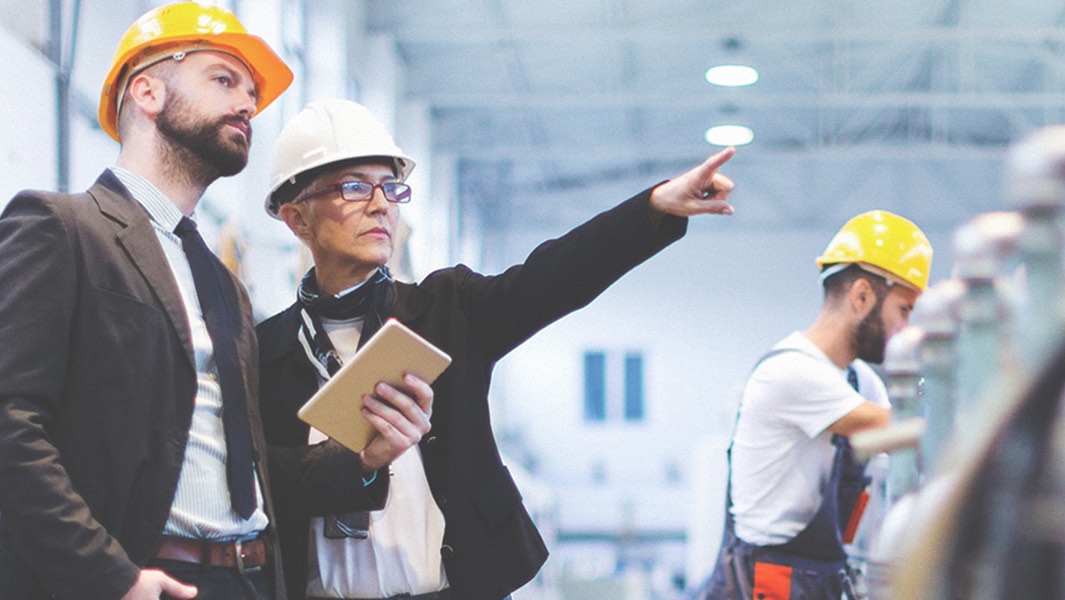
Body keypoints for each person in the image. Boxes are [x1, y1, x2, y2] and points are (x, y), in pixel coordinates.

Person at [0, 4, 432, 600]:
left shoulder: (222, 284)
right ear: (147, 91)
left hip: (247, 579)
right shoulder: (62, 230)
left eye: (251, 93)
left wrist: (361, 457)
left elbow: (245, 469)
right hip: (143, 578)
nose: (247, 105)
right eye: (224, 80)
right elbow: (10, 424)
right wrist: (110, 579)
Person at [255, 98, 737, 600]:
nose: (381, 204)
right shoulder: (264, 354)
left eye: (391, 187)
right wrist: (351, 464)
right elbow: (258, 484)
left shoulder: (445, 312)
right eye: (354, 187)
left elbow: (553, 278)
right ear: (297, 219)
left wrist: (653, 208)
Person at [702, 210, 934, 599]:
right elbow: (899, 430)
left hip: (815, 578)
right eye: (904, 310)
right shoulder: (792, 372)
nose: (906, 330)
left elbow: (915, 436)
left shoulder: (858, 380)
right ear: (861, 296)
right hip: (767, 583)